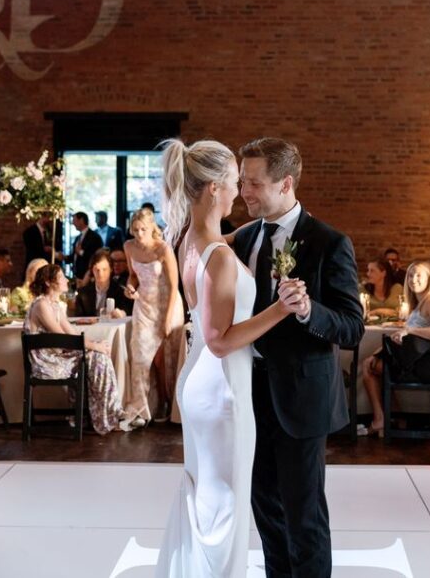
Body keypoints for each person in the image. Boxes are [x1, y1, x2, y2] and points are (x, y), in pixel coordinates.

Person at [155, 138, 306, 578]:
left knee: (207, 496)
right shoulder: (219, 256)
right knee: (227, 504)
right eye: (233, 183)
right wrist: (280, 308)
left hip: (199, 380)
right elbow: (219, 339)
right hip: (222, 385)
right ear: (212, 191)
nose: (239, 192)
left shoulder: (192, 242)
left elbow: (224, 242)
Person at [233, 137, 364, 578]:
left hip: (301, 399)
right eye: (241, 181)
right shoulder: (244, 240)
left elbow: (351, 326)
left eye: (254, 183)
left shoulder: (329, 243)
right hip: (249, 396)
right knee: (265, 511)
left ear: (286, 183)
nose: (244, 191)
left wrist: (309, 310)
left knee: (304, 518)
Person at [24, 263, 124, 435]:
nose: (66, 280)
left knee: (97, 355)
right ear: (48, 282)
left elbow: (73, 334)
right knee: (97, 356)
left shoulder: (56, 305)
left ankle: (104, 414)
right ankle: (107, 415)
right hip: (45, 362)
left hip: (57, 356)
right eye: (61, 276)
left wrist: (96, 344)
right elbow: (64, 339)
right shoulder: (41, 305)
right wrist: (95, 346)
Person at [360, 261, 430, 436]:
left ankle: (381, 420)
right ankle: (396, 418)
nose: (414, 279)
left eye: (419, 275)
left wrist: (409, 329)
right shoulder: (420, 302)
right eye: (411, 275)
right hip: (412, 360)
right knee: (371, 362)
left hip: (422, 366)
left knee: (368, 367)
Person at [123, 208, 183, 426]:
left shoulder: (163, 249)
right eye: (136, 230)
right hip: (143, 307)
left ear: (152, 228)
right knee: (139, 357)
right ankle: (141, 409)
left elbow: (175, 284)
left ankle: (167, 405)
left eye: (143, 229)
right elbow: (132, 275)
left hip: (166, 304)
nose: (139, 234)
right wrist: (130, 287)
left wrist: (167, 320)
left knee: (164, 361)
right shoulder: (129, 247)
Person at [75, 249, 132, 317]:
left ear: (111, 269)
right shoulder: (83, 293)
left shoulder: (120, 291)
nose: (100, 274)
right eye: (97, 270)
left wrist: (121, 313)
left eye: (104, 269)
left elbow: (127, 311)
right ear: (92, 270)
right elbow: (78, 317)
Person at [69, 212, 103, 284]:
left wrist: (81, 252)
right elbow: (74, 255)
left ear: (81, 220)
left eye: (74, 221)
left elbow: (96, 255)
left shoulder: (95, 237)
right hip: (77, 274)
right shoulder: (78, 237)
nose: (73, 223)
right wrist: (64, 257)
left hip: (88, 274)